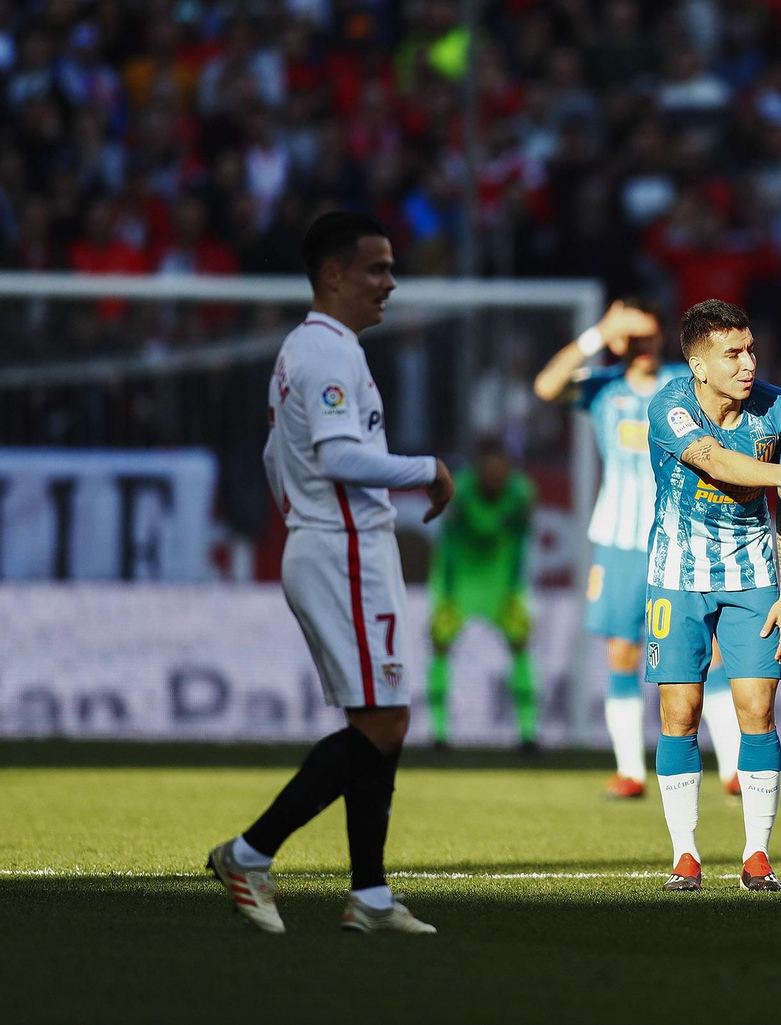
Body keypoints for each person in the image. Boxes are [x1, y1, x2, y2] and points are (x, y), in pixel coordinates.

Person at [207, 211, 452, 934]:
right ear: (333, 274)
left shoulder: (312, 351)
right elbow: (339, 458)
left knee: (381, 718)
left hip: (337, 543)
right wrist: (428, 469)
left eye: (390, 267)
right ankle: (249, 852)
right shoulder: (323, 354)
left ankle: (370, 895)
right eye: (376, 267)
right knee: (385, 718)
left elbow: (274, 456)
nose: (390, 281)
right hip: (342, 545)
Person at [643, 299, 781, 892]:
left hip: (754, 576)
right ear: (699, 365)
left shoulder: (777, 408)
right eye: (732, 354)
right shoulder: (670, 406)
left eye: (750, 349)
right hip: (676, 576)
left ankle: (757, 856)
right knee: (680, 714)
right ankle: (685, 855)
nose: (748, 363)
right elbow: (713, 461)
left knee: (756, 710)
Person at [533, 301, 745, 800]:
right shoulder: (603, 385)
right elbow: (545, 387)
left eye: (649, 337)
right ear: (618, 342)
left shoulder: (683, 382)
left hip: (681, 534)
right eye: (632, 339)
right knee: (623, 651)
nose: (642, 348)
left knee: (707, 651)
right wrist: (598, 334)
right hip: (620, 539)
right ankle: (631, 771)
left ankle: (732, 767)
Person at [425, 435, 540, 750]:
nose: (493, 477)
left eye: (499, 470)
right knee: (440, 647)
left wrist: (518, 587)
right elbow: (448, 537)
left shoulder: (521, 492)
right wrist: (442, 590)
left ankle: (528, 735)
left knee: (521, 647)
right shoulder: (459, 490)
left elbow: (523, 536)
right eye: (487, 470)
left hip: (502, 584)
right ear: (477, 469)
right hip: (460, 582)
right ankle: (439, 735)